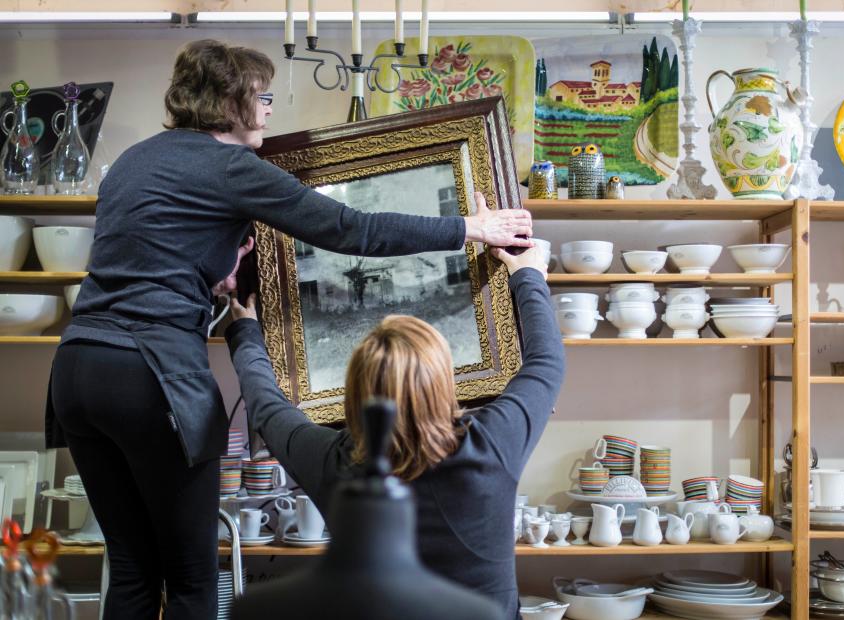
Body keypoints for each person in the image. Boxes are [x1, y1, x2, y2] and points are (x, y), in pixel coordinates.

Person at [46, 39, 532, 620]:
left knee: (130, 569)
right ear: (230, 102)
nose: (271, 109)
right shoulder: (230, 164)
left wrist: (212, 272)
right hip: (149, 377)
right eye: (264, 96)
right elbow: (351, 229)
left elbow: (148, 257)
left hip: (76, 371)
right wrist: (470, 227)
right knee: (194, 580)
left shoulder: (134, 159)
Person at [224, 245, 564, 620]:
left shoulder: (330, 460)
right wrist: (527, 276)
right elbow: (546, 362)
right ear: (445, 384)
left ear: (353, 393)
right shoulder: (494, 440)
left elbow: (267, 406)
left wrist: (244, 331)